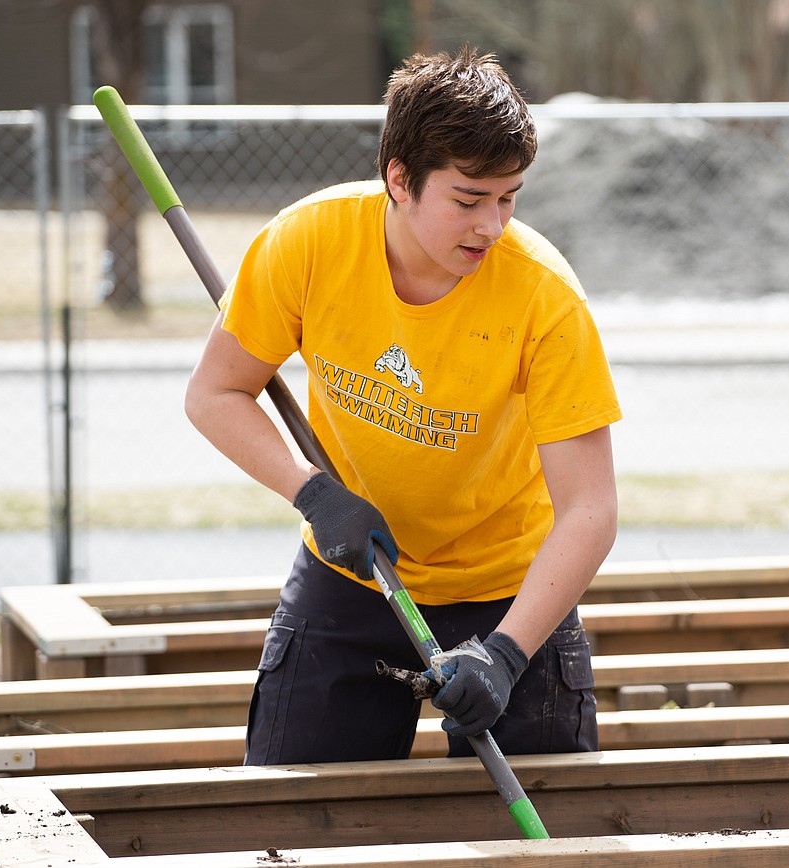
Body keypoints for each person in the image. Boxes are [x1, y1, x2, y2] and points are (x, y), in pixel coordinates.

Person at [184, 46, 621, 764]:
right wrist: (314, 493)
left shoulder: (545, 298)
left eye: (509, 198)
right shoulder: (308, 243)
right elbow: (215, 392)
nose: (491, 226)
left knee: (554, 828)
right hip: (355, 573)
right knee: (294, 815)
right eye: (468, 200)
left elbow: (590, 509)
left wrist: (506, 656)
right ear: (400, 180)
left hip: (511, 592)